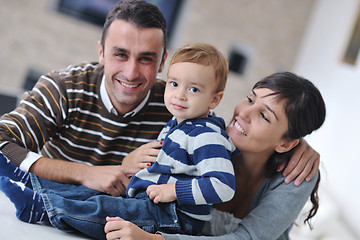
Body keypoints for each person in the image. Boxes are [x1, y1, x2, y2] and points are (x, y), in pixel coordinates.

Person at [0, 42, 238, 238]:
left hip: (173, 216)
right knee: (87, 193)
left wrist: (174, 190)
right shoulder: (180, 123)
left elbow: (223, 186)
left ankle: (42, 209)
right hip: (150, 202)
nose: (180, 95)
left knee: (105, 209)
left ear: (214, 99)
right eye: (174, 84)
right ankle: (31, 180)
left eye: (194, 89)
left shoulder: (207, 136)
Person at [103, 71, 326, 240]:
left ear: (286, 143)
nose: (243, 114)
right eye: (250, 99)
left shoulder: (298, 173)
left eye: (264, 117)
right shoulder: (203, 140)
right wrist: (127, 163)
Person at [0, 0, 171, 196]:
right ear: (101, 52)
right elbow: (2, 142)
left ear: (162, 62)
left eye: (146, 59)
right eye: (121, 55)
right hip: (43, 210)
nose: (131, 73)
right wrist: (85, 173)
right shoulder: (64, 88)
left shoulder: (177, 108)